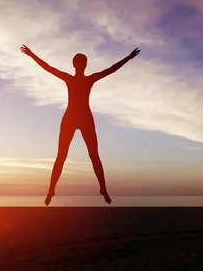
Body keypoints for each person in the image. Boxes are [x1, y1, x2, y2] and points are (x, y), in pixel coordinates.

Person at [20, 45, 141, 206]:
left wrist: (128, 57)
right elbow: (48, 68)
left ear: (77, 65)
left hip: (82, 118)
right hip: (72, 118)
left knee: (89, 156)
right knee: (66, 156)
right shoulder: (77, 79)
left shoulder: (81, 79)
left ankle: (102, 189)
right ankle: (52, 190)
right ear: (82, 65)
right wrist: (31, 54)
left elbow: (111, 69)